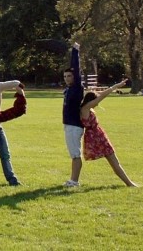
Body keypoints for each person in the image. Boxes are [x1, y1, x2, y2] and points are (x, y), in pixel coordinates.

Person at [80, 79, 138, 187]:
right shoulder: (86, 108)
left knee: (113, 160)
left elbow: (100, 95)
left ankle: (129, 183)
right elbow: (101, 97)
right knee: (113, 160)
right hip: (97, 138)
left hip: (98, 136)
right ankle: (129, 183)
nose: (97, 105)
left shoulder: (87, 107)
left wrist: (117, 85)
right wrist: (114, 87)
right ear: (92, 100)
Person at [63, 43, 85, 187]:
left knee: (75, 154)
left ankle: (74, 181)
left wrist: (75, 51)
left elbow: (76, 68)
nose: (67, 78)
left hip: (74, 125)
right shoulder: (69, 89)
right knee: (73, 154)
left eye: (69, 76)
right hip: (69, 125)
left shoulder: (77, 87)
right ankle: (72, 179)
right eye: (65, 76)